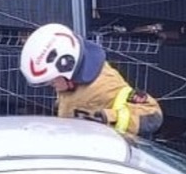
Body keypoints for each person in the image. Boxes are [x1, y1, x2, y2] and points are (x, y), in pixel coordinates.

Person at [19, 23, 163, 139]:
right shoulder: (74, 85)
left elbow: (153, 115)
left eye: (51, 80)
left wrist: (106, 118)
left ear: (68, 66)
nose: (52, 86)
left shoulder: (105, 86)